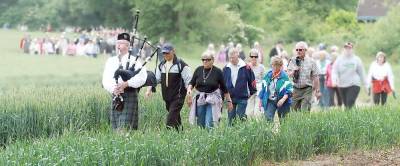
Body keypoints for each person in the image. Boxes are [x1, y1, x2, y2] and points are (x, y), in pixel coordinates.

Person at [102, 33, 147, 130]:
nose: (118, 46)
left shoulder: (134, 61)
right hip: (116, 96)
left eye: (121, 43)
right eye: (117, 43)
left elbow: (142, 77)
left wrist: (127, 84)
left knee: (125, 127)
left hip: (129, 94)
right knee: (116, 126)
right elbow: (105, 79)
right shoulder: (111, 61)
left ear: (128, 46)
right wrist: (113, 89)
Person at [145, 43, 192, 131]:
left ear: (173, 51)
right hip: (166, 96)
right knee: (175, 117)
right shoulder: (161, 65)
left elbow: (189, 81)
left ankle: (168, 138)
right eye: (164, 53)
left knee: (170, 119)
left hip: (178, 96)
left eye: (167, 53)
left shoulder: (181, 65)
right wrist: (149, 90)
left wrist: (189, 95)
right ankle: (180, 134)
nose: (165, 55)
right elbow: (156, 79)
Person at [187, 51, 233, 128]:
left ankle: (210, 138)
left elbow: (224, 88)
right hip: (200, 99)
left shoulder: (218, 71)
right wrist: (189, 93)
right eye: (203, 59)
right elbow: (191, 83)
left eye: (208, 59)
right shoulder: (198, 70)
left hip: (213, 100)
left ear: (212, 60)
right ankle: (202, 139)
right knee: (200, 124)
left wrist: (229, 101)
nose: (205, 61)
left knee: (209, 123)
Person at [223, 48, 257, 125]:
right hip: (230, 98)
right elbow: (222, 83)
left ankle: (243, 133)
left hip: (242, 96)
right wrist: (222, 96)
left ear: (237, 55)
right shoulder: (226, 68)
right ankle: (231, 135)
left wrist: (252, 92)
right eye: (230, 58)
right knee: (231, 119)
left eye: (233, 57)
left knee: (241, 117)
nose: (231, 59)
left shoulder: (246, 67)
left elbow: (252, 80)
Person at [331, 42, 367, 109]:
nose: (348, 50)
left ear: (352, 49)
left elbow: (362, 73)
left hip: (354, 84)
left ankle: (348, 118)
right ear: (343, 49)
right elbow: (334, 71)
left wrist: (365, 85)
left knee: (349, 103)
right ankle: (353, 116)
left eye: (349, 48)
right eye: (346, 48)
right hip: (342, 85)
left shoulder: (356, 59)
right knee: (346, 104)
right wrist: (334, 81)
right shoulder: (339, 59)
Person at [287, 41, 321, 112]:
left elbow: (316, 76)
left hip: (307, 89)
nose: (298, 51)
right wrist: (293, 71)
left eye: (300, 50)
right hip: (296, 89)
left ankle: (305, 122)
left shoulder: (311, 61)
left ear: (305, 50)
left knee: (305, 110)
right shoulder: (292, 60)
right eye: (297, 50)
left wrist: (317, 91)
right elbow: (288, 74)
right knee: (292, 110)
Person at [259, 56, 293, 121]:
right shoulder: (268, 75)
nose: (275, 67)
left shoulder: (284, 76)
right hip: (270, 100)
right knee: (268, 118)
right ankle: (268, 131)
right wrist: (261, 101)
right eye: (273, 65)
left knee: (284, 121)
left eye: (277, 66)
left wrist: (282, 100)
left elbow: (289, 90)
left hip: (283, 101)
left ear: (281, 66)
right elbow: (263, 89)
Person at [245, 49, 265, 119]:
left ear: (258, 57)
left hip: (259, 91)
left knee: (257, 113)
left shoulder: (261, 67)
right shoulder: (247, 67)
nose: (254, 58)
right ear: (249, 57)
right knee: (249, 112)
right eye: (252, 56)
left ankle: (257, 127)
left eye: (255, 56)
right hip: (250, 91)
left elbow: (263, 80)